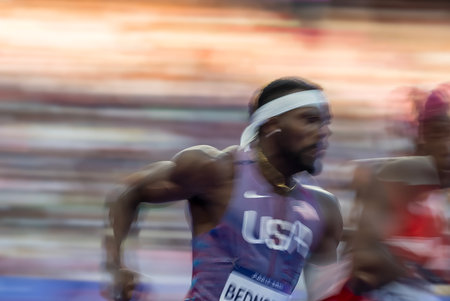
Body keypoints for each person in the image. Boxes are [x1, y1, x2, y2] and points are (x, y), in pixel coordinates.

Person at [103, 77, 343, 301]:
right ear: (271, 125)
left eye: (326, 123)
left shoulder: (323, 209)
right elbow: (127, 193)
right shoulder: (215, 171)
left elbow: (325, 292)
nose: (324, 132)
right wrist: (116, 267)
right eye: (311, 120)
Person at [322, 87, 450, 301]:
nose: (448, 147)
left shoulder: (435, 192)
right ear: (420, 137)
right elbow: (365, 261)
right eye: (439, 134)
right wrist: (419, 266)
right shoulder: (392, 181)